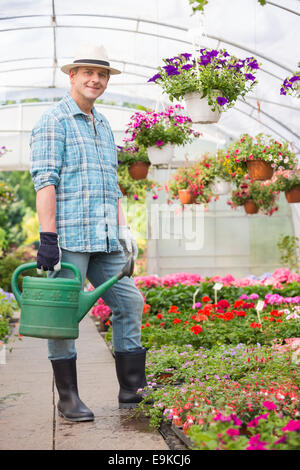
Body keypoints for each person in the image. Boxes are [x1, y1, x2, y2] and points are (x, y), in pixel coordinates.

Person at [29, 44, 148, 422]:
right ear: (72, 76)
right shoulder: (54, 121)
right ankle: (68, 399)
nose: (96, 79)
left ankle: (132, 389)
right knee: (62, 317)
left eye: (103, 74)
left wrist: (124, 230)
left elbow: (111, 184)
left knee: (129, 302)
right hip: (69, 238)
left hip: (106, 238)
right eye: (88, 73)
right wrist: (49, 239)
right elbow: (45, 182)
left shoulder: (102, 123)